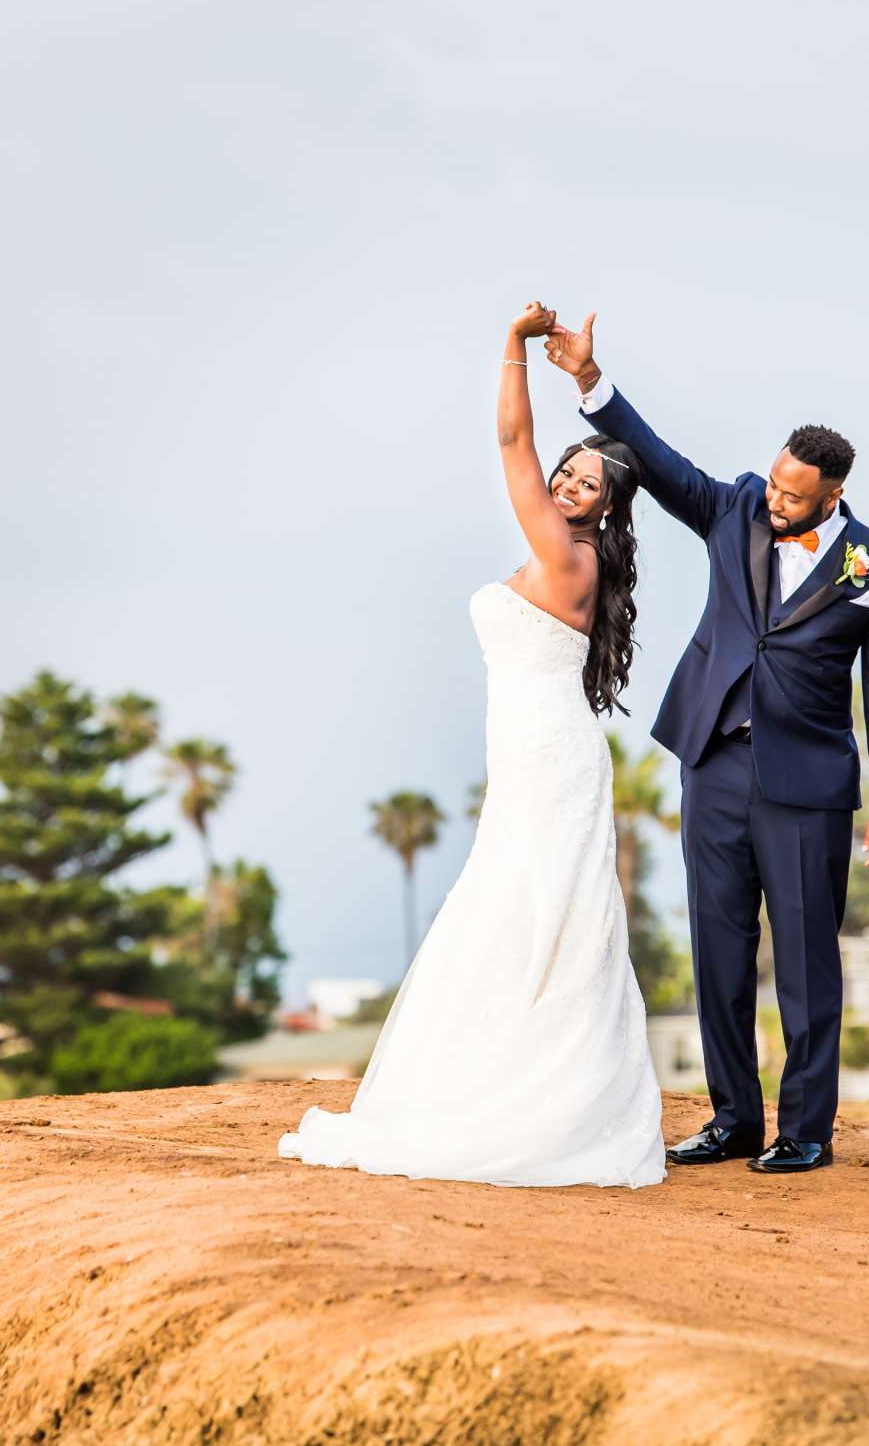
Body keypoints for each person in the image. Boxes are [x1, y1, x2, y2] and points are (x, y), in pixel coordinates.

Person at [277, 302, 665, 1188]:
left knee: (535, 917)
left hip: (549, 760)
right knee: (518, 914)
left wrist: (511, 345)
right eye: (569, 474)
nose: (567, 486)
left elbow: (509, 447)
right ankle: (507, 1077)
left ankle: (539, 1097)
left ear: (606, 511)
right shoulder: (561, 553)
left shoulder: (569, 555)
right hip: (536, 757)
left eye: (586, 486)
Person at [542, 313, 869, 1176]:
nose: (778, 503)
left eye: (795, 497)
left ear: (833, 493)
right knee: (718, 949)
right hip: (713, 761)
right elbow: (663, 465)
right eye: (777, 487)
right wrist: (594, 384)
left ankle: (806, 1131)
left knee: (808, 962)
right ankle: (735, 1119)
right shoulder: (736, 507)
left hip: (810, 782)